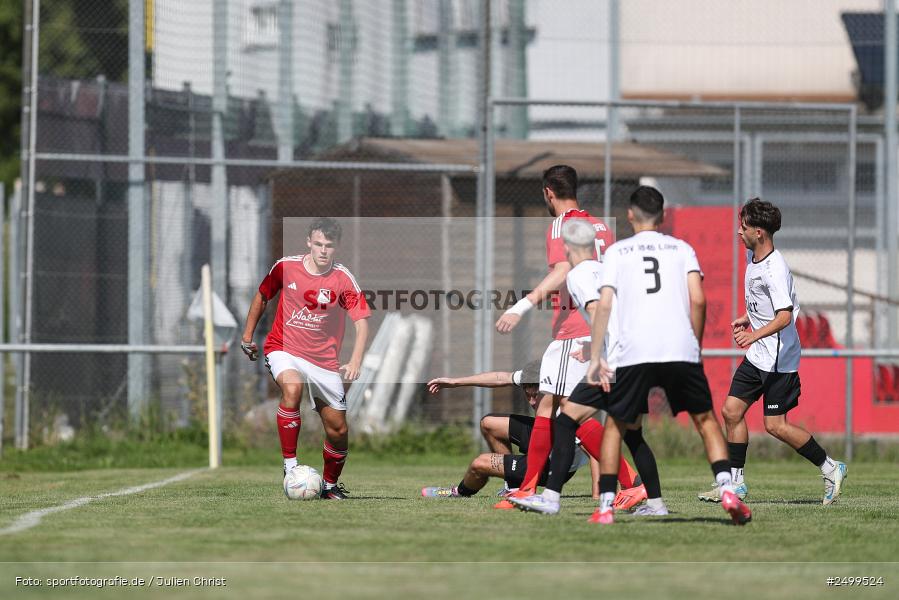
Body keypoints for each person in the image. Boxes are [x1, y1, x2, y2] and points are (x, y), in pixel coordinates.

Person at [584, 186, 751, 526]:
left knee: (615, 424)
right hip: (680, 348)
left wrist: (596, 355)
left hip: (634, 351)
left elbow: (604, 304)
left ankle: (604, 507)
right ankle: (727, 488)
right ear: (662, 216)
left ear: (630, 215)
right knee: (705, 421)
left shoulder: (617, 252)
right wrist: (695, 344)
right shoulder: (682, 249)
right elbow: (700, 300)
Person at [697, 198, 847, 505]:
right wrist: (747, 317)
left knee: (775, 426)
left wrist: (753, 335)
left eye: (744, 227)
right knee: (731, 411)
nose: (739, 232)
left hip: (779, 360)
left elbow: (784, 315)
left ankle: (830, 467)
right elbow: (764, 307)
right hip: (759, 356)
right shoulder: (754, 258)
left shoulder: (774, 268)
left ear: (760, 233)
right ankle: (736, 484)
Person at [511, 219, 651, 516]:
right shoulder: (602, 241)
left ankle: (539, 493)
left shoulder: (573, 262)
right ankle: (639, 488)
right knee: (596, 420)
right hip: (620, 348)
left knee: (557, 410)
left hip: (583, 341)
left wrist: (522, 306)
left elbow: (592, 306)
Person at [493, 165, 614, 508]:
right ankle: (632, 482)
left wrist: (521, 306)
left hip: (574, 328)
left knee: (548, 407)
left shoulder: (562, 225)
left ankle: (529, 489)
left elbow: (563, 270)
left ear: (548, 192)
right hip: (597, 326)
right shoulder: (603, 226)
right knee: (568, 412)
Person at [240, 217, 370, 500]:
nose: (323, 250)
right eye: (318, 244)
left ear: (337, 247)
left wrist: (356, 359)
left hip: (323, 361)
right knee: (292, 387)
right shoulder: (286, 267)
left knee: (338, 430)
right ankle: (290, 466)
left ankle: (330, 487)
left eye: (329, 246)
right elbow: (262, 296)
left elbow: (361, 322)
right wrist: (247, 337)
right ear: (308, 242)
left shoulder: (343, 279)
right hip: (283, 348)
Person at [422, 361, 641, 502]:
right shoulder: (540, 374)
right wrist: (455, 382)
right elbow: (501, 377)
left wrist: (597, 493)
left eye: (536, 395)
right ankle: (513, 487)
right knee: (489, 423)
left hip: (553, 465)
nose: (532, 400)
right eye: (527, 394)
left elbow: (595, 451)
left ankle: (459, 492)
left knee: (479, 464)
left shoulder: (565, 406)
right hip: (544, 438)